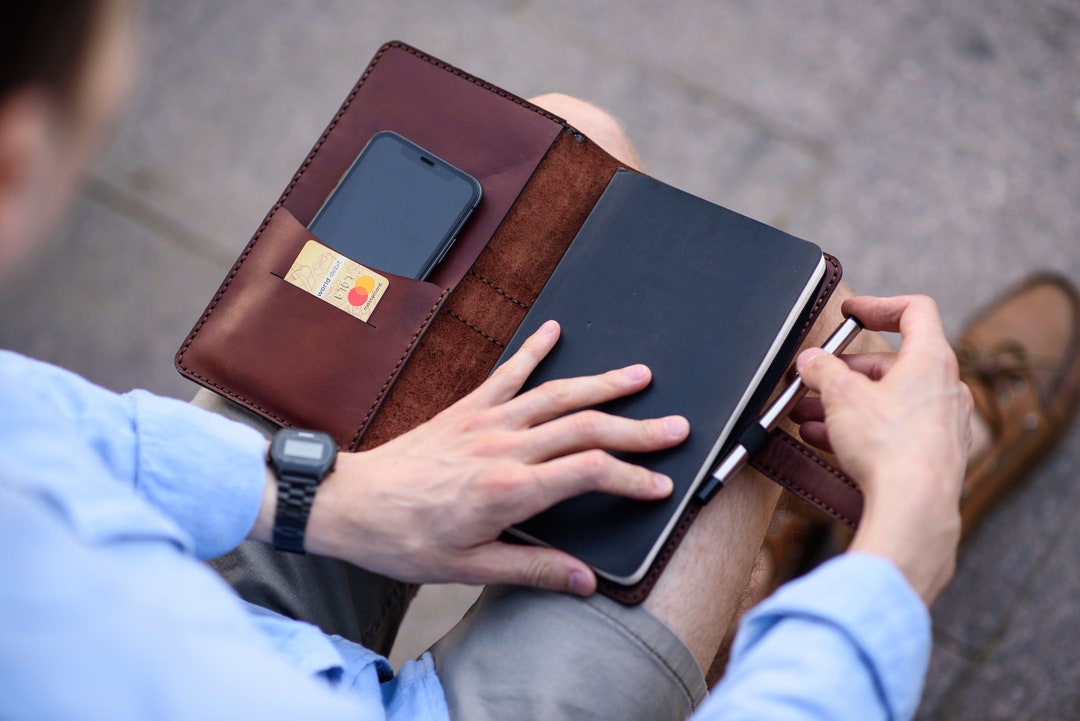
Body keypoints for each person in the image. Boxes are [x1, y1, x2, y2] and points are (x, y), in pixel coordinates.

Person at [2, 2, 1079, 720]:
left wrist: (325, 496)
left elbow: (37, 430)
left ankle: (756, 546)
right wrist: (901, 555)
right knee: (751, 389)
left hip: (191, 588)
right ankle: (840, 520)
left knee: (564, 144)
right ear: (14, 165)